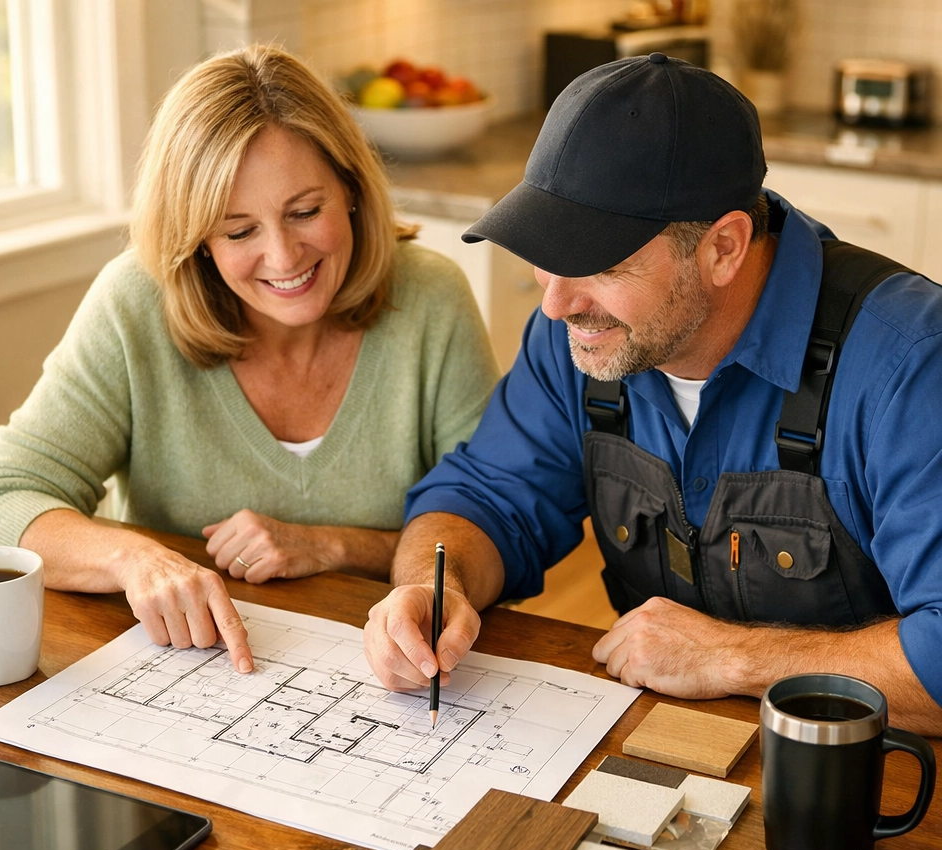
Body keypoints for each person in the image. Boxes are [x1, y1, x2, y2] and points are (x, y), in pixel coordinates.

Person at [362, 53, 942, 736]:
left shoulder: (910, 364)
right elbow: (487, 497)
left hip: (882, 788)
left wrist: (730, 658)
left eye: (604, 266)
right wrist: (435, 584)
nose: (556, 305)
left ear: (724, 248)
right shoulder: (579, 334)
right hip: (669, 753)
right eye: (550, 254)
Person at [0, 45, 498, 675]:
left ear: (350, 188)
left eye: (305, 211)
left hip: (392, 679)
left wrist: (329, 545)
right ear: (199, 241)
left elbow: (491, 524)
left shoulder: (432, 298)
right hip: (189, 676)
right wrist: (135, 559)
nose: (284, 256)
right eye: (239, 230)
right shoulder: (135, 301)